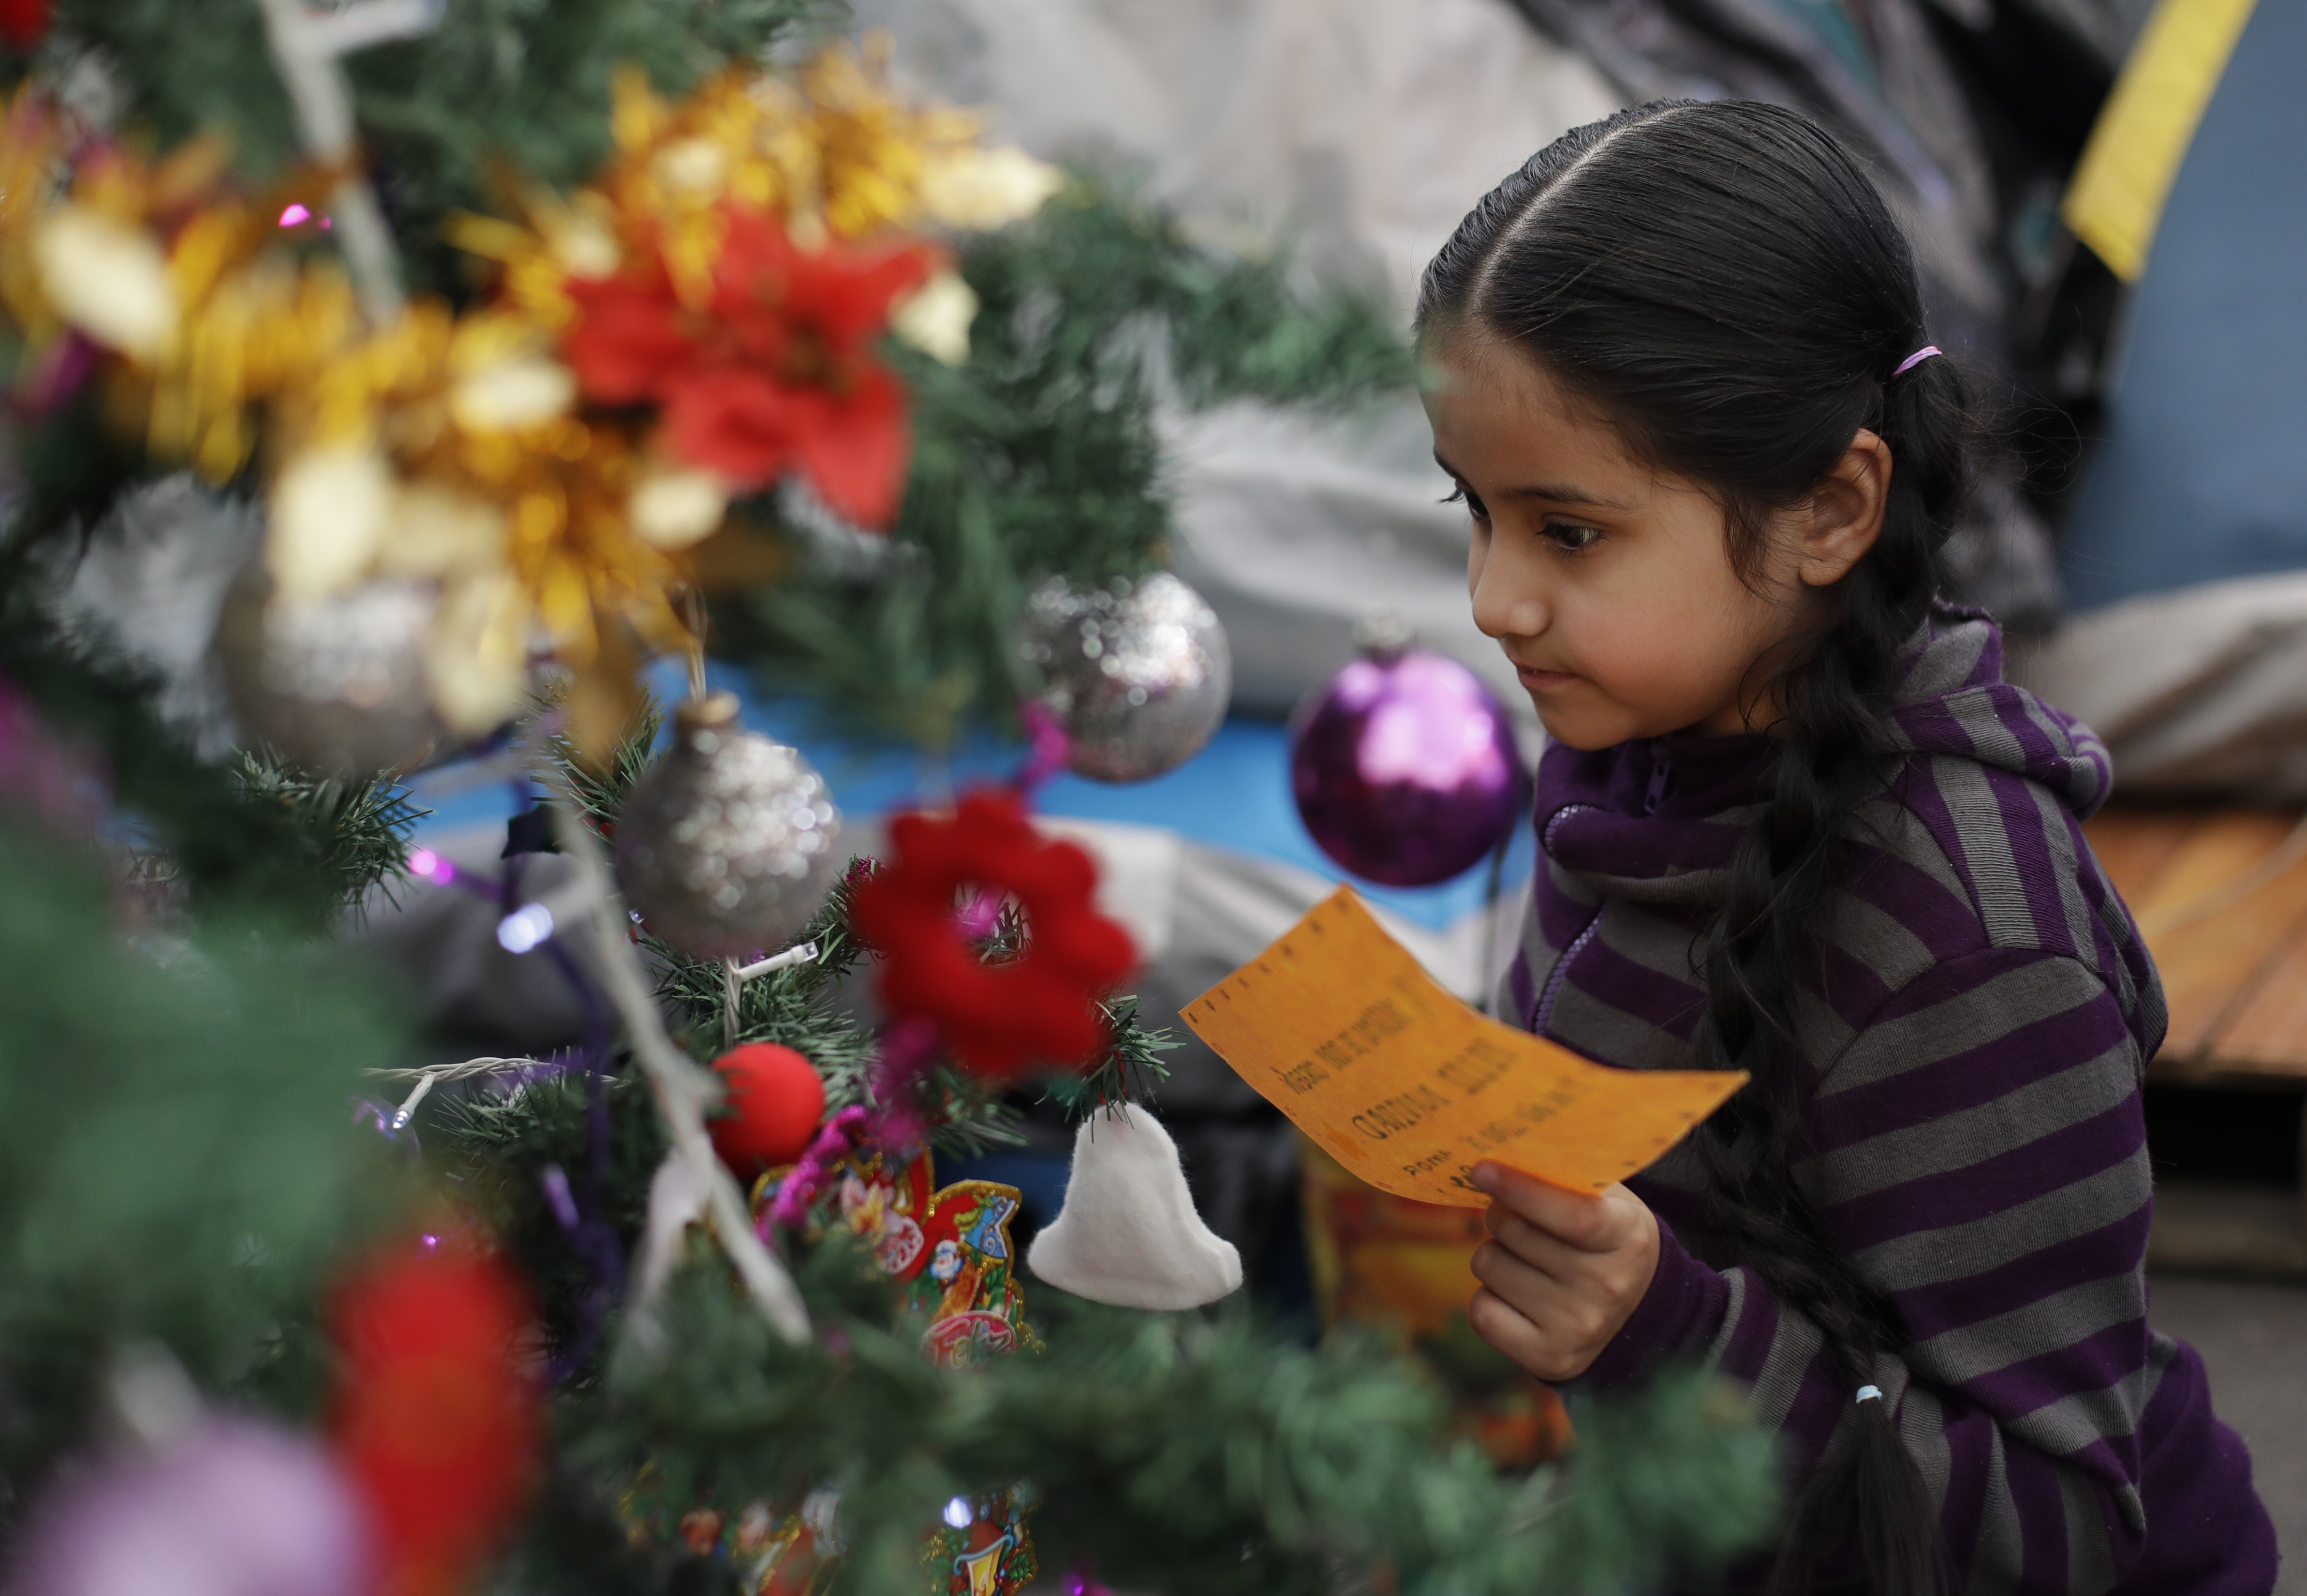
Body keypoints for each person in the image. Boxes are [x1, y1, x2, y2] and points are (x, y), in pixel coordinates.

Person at [1419, 102, 2277, 1595]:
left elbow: (2057, 1533)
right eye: (1472, 509)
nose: (1492, 596)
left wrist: (1669, 1334)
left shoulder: (1959, 936)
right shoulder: (1629, 746)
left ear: (1829, 508)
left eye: (1565, 531)